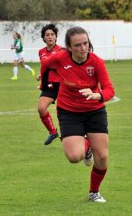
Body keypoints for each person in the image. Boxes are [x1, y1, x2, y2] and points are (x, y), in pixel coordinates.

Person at [40, 26, 115, 203]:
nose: (83, 48)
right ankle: (85, 146)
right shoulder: (59, 58)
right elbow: (45, 65)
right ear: (68, 47)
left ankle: (94, 192)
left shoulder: (97, 62)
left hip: (95, 111)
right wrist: (47, 84)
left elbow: (110, 89)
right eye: (78, 45)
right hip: (69, 111)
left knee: (102, 157)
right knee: (75, 157)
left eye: (86, 43)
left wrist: (99, 95)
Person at [37, 24, 63, 145]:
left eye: (52, 34)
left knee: (62, 111)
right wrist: (40, 75)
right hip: (49, 85)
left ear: (56, 37)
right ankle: (53, 132)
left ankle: (67, 134)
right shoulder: (41, 52)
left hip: (62, 85)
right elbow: (44, 66)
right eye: (47, 35)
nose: (50, 37)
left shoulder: (61, 51)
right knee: (41, 108)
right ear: (44, 38)